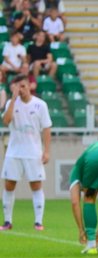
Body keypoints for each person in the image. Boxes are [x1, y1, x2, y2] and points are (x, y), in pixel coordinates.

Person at [1, 74, 51, 232]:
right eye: (17, 87)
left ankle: (38, 222)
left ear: (29, 86)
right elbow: (6, 121)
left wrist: (47, 151)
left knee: (36, 185)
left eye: (23, 86)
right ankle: (7, 222)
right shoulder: (11, 103)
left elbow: (47, 128)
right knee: (9, 185)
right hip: (14, 152)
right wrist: (13, 100)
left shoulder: (40, 105)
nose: (21, 89)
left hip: (33, 152)